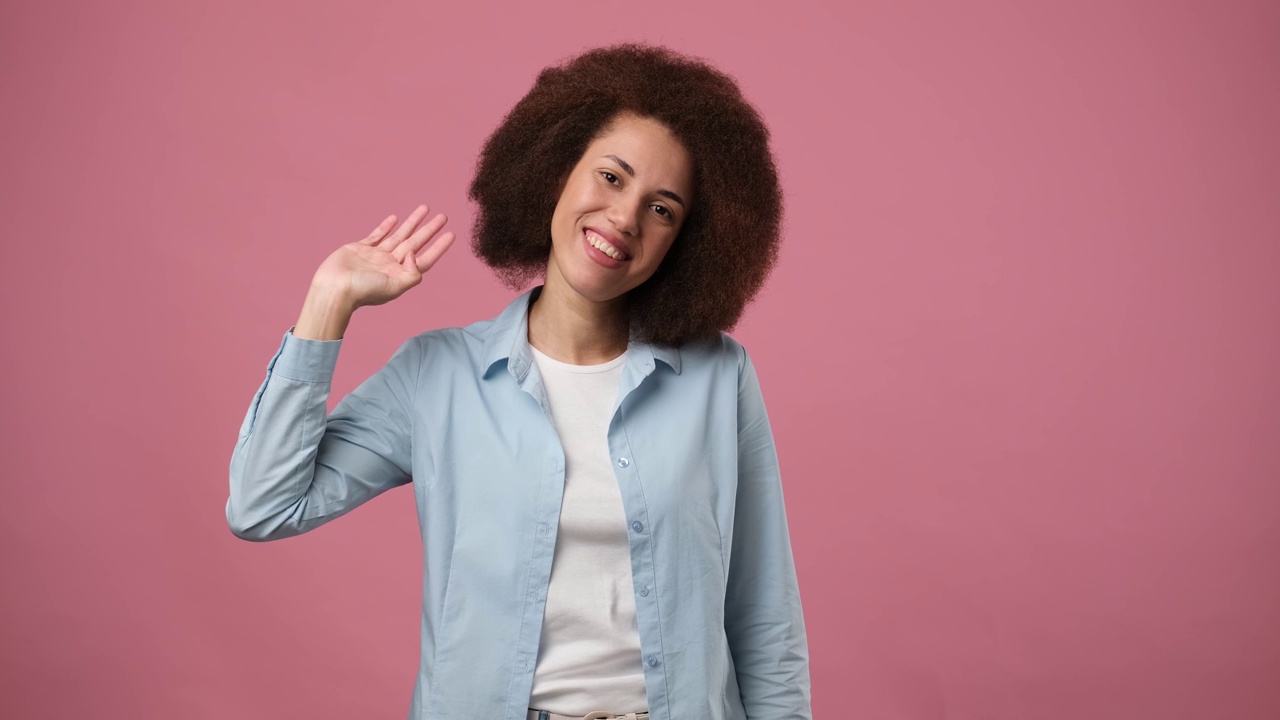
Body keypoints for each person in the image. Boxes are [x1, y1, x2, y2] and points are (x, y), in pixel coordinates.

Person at [227, 43, 811, 720]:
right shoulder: (437, 376)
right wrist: (328, 303)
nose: (624, 218)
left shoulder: (719, 379)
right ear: (554, 172)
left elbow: (764, 615)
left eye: (663, 209)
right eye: (612, 177)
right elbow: (263, 505)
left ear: (688, 241)